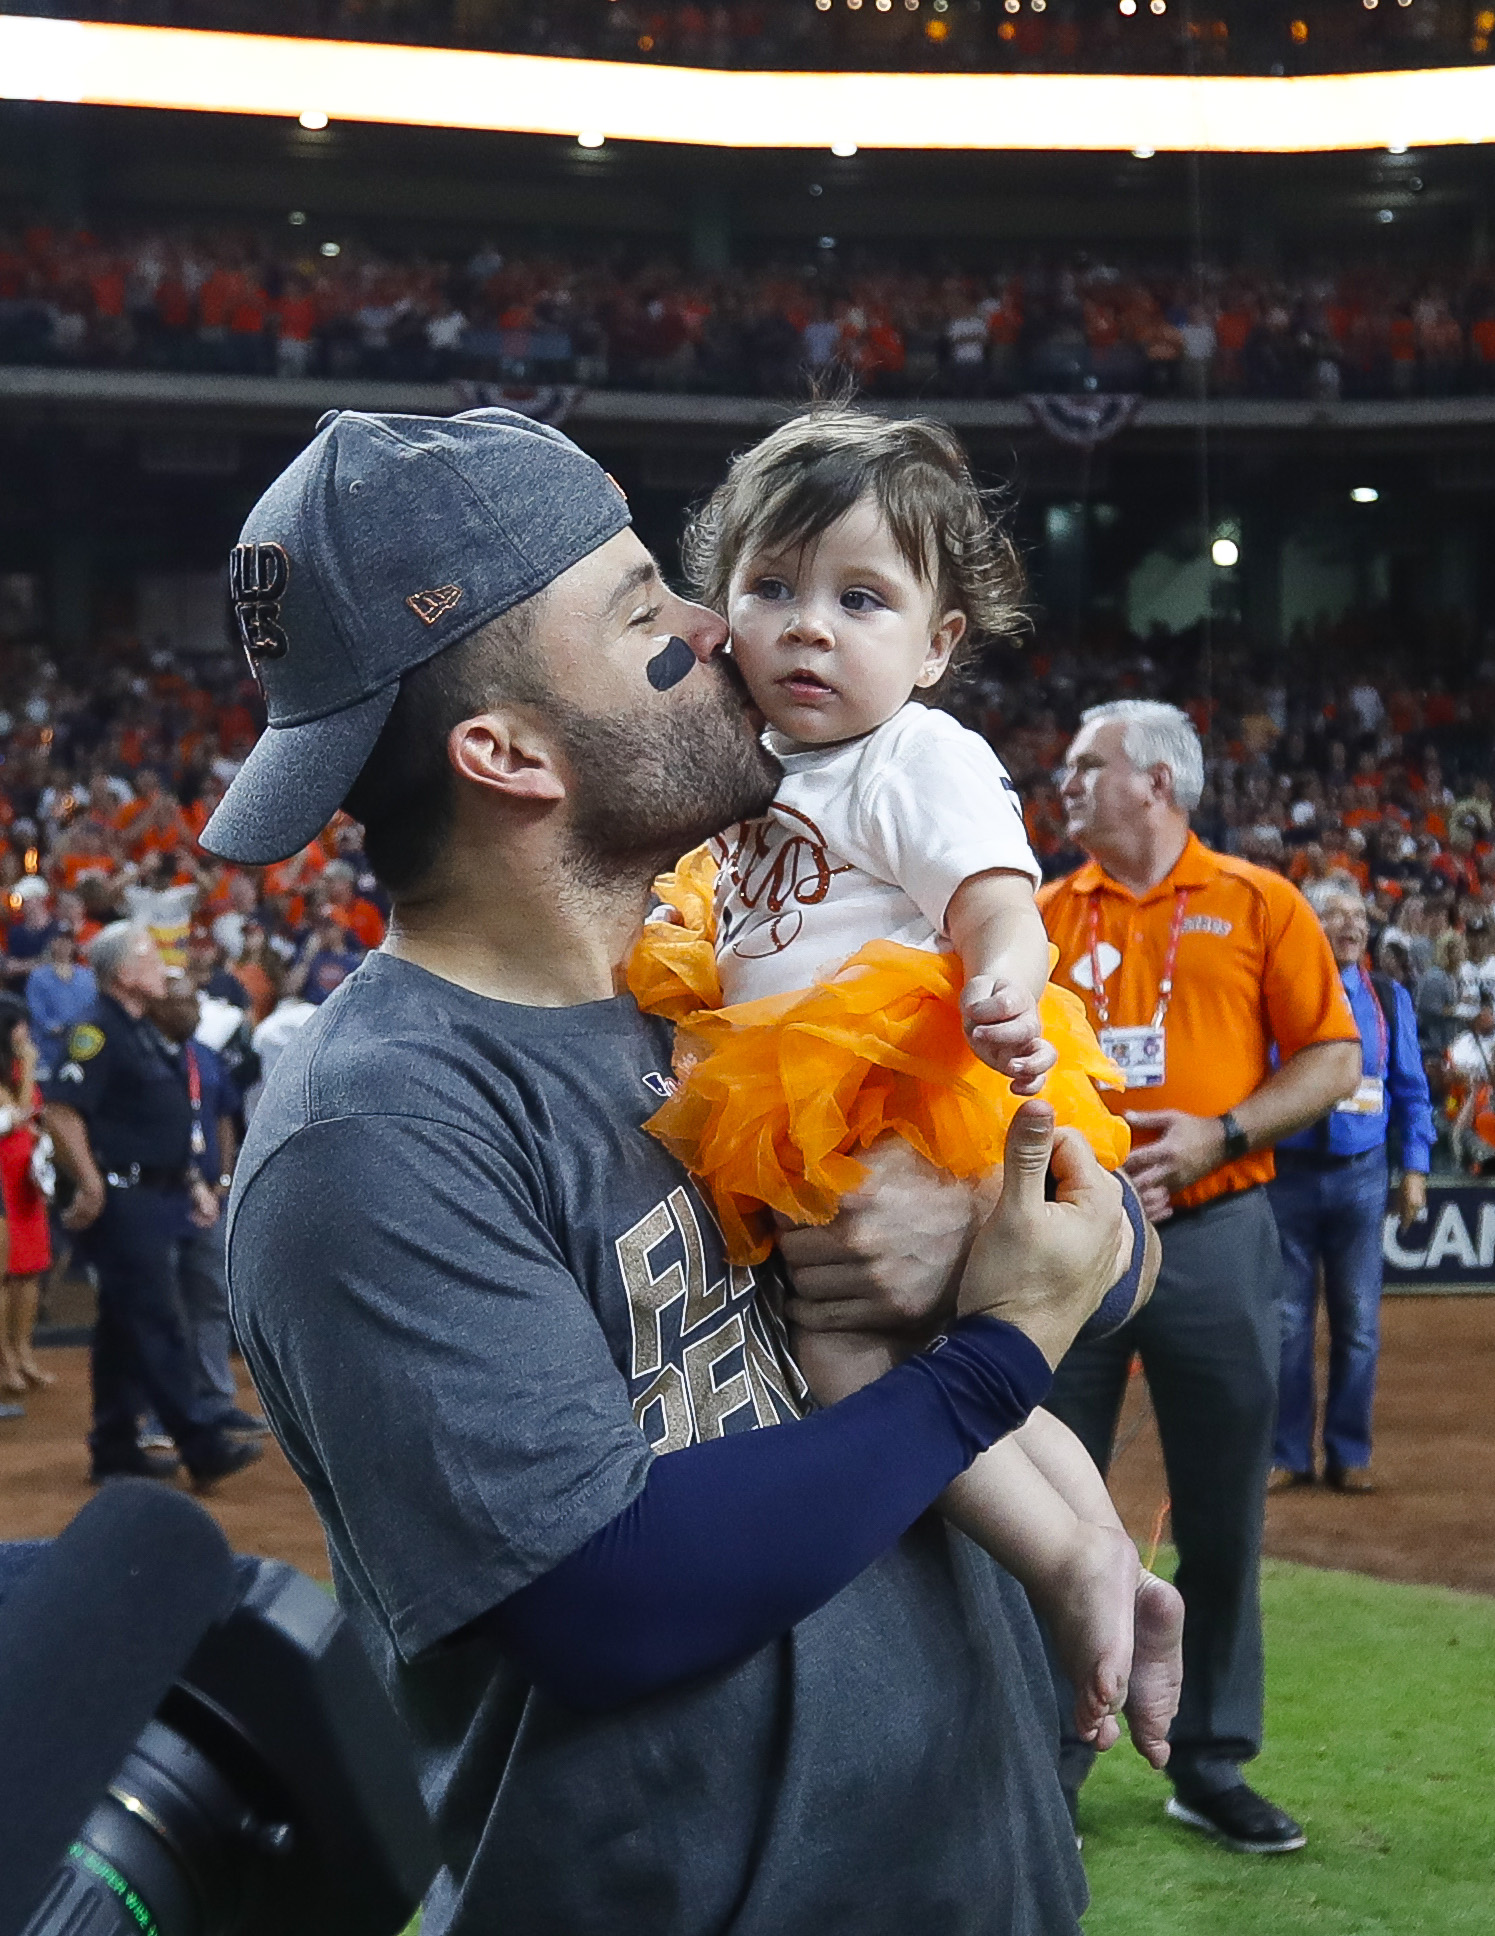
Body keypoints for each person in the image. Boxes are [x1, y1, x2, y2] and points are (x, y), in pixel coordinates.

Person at [206, 405, 1148, 1935]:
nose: (723, 626)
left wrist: (987, 1228)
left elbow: (1098, 1258)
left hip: (981, 1871)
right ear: (502, 750)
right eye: (645, 607)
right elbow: (604, 1602)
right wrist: (988, 1359)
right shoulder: (372, 1137)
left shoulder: (732, 962)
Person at [628, 407, 1173, 1757]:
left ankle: (1063, 1571)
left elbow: (999, 897)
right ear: (716, 613)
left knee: (847, 1351)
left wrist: (995, 978)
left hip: (901, 1082)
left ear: (937, 648)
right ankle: (1105, 1548)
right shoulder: (742, 765)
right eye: (771, 589)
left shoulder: (911, 755)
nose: (807, 628)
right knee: (947, 1357)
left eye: (858, 599)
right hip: (808, 1098)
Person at [1038, 700, 1362, 1855]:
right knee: (1043, 1502)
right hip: (1070, 1232)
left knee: (1224, 1510)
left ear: (1156, 784)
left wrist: (1222, 1131)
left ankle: (1210, 1758)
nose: (1065, 779)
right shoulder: (1039, 912)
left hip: (1218, 1232)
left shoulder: (1259, 902)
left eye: (1088, 765)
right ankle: (1047, 1758)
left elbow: (1331, 1055)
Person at [40, 921, 262, 1486]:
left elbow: (160, 1124)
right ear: (121, 975)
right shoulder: (97, 1031)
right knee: (160, 1323)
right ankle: (201, 1445)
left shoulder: (142, 1030)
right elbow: (61, 1112)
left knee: (121, 1329)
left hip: (154, 1195)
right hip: (122, 1200)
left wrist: (190, 1182)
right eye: (147, 957)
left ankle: (114, 1447)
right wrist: (89, 1182)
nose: (161, 966)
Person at [1267, 880, 1434, 1495]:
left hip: (1363, 1177)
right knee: (1287, 1323)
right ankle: (1287, 1454)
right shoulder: (1277, 989)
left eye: (1358, 915)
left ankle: (1348, 1453)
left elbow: (1412, 1093)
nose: (1351, 925)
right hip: (1285, 1176)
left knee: (1359, 1323)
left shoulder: (1388, 998)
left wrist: (1414, 1171)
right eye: (1334, 915)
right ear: (1307, 923)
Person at [147, 973, 267, 1437]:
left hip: (207, 1201)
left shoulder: (205, 1057)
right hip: (159, 1196)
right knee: (165, 1305)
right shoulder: (147, 1055)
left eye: (194, 1002)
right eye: (180, 1002)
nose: (193, 1010)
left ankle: (215, 1401)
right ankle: (163, 1413)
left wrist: (221, 1181)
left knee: (211, 1299)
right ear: (158, 1007)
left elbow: (222, 1118)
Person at [0, 996, 55, 1397]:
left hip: (27, 1175)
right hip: (3, 1174)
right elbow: (12, 1115)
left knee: (30, 1269)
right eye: (19, 1024)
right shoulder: (15, 1070)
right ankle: (5, 1360)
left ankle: (23, 1352)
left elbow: (32, 1114)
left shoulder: (18, 1068)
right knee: (6, 1272)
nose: (25, 1032)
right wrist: (31, 1066)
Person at [24, 922, 97, 1077]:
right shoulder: (38, 976)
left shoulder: (87, 976)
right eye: (59, 940)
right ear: (52, 943)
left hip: (82, 1050)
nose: (64, 945)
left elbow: (94, 1008)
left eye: (68, 940)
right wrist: (56, 1028)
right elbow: (36, 1011)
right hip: (47, 1053)